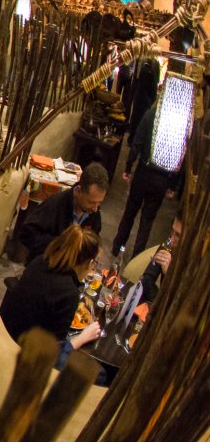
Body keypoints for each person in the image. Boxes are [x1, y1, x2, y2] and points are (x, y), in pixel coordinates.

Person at [0, 225, 102, 347]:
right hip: (18, 348)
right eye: (95, 263)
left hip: (2, 329)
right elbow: (54, 350)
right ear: (90, 263)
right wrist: (83, 338)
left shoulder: (40, 260)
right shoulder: (69, 293)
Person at [113, 101, 180, 263]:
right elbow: (179, 157)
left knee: (130, 211)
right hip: (161, 179)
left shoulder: (151, 115)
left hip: (143, 172)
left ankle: (117, 247)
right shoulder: (176, 122)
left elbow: (137, 141)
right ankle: (136, 258)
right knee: (147, 221)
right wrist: (172, 184)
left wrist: (128, 167)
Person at [18, 163, 108, 263]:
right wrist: (61, 245)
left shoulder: (93, 210)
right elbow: (26, 233)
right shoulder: (55, 204)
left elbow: (95, 234)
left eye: (99, 202)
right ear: (78, 191)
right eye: (91, 202)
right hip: (46, 265)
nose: (95, 208)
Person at [138, 209, 180, 306]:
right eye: (172, 231)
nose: (171, 239)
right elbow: (147, 278)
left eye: (178, 235)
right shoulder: (168, 245)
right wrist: (157, 303)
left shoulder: (196, 267)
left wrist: (169, 275)